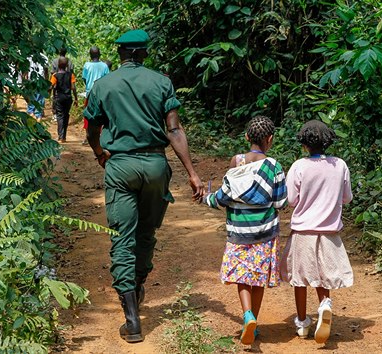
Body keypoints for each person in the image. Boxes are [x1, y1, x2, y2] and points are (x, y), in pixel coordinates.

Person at [83, 29, 204, 343]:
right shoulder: (161, 82)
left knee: (123, 236)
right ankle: (137, 286)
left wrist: (99, 153)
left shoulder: (101, 85)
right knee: (146, 232)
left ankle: (132, 318)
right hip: (154, 165)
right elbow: (174, 130)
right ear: (143, 53)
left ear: (121, 54)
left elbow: (92, 128)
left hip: (120, 166)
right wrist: (191, 172)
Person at [202, 115, 287, 345]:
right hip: (264, 234)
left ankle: (247, 314)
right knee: (258, 278)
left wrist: (205, 198)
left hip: (239, 232)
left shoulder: (236, 161)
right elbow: (280, 202)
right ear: (270, 139)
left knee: (243, 276)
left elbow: (224, 197)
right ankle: (254, 322)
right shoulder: (274, 167)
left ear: (247, 136)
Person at [279, 120, 354, 344]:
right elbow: (347, 198)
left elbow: (291, 200)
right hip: (330, 233)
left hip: (303, 231)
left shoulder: (298, 166)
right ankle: (325, 305)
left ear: (304, 144)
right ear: (328, 141)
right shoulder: (339, 165)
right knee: (324, 275)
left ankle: (302, 323)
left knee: (300, 279)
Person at [82, 46, 109, 145]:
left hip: (89, 93)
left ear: (90, 55)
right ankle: (100, 136)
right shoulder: (104, 66)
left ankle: (88, 136)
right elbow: (107, 80)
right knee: (102, 114)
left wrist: (89, 86)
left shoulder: (87, 65)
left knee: (88, 115)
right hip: (101, 93)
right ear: (99, 54)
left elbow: (84, 78)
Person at [49, 57, 78, 143]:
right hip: (68, 97)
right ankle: (64, 136)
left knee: (60, 116)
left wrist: (49, 93)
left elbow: (51, 86)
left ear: (58, 65)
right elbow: (73, 87)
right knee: (66, 115)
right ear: (67, 65)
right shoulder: (71, 75)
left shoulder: (55, 75)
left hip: (59, 98)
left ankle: (61, 136)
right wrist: (76, 98)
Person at [51, 47, 74, 122]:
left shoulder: (55, 61)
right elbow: (72, 71)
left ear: (58, 52)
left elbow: (52, 72)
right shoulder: (69, 61)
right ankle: (63, 114)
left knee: (55, 97)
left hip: (56, 82)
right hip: (67, 83)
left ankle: (55, 114)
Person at [25, 54, 48, 121]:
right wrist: (46, 81)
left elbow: (26, 69)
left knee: (32, 97)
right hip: (41, 80)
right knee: (40, 99)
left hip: (31, 80)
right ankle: (38, 117)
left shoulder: (29, 57)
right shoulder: (44, 57)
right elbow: (46, 71)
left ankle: (31, 113)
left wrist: (25, 79)